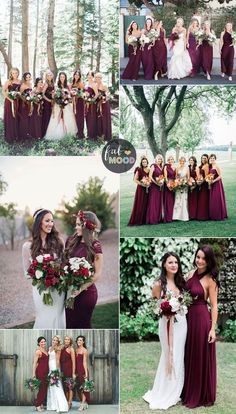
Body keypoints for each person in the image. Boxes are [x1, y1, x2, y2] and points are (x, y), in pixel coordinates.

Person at [143, 252, 187, 410]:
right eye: (170, 262)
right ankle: (164, 391)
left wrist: (177, 309)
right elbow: (153, 306)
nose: (174, 265)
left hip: (181, 324)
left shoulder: (181, 283)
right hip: (166, 324)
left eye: (176, 262)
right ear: (164, 264)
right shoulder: (158, 285)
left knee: (178, 354)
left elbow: (186, 301)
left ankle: (176, 389)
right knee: (168, 354)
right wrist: (165, 311)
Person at [182, 245, 219, 408]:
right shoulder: (190, 274)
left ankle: (199, 393)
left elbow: (215, 305)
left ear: (209, 260)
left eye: (204, 258)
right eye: (198, 257)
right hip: (187, 318)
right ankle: (187, 389)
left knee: (199, 354)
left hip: (201, 320)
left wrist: (212, 329)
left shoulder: (211, 279)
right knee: (187, 353)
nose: (200, 261)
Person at [22, 208, 65, 328]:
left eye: (52, 221)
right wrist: (42, 281)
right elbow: (26, 272)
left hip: (58, 289)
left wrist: (56, 276)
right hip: (40, 290)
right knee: (44, 318)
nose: (50, 224)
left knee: (57, 317)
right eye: (47, 221)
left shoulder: (59, 242)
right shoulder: (27, 246)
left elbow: (63, 263)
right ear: (39, 223)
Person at [64, 210, 103, 328]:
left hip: (86, 294)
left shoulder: (95, 245)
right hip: (69, 292)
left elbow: (97, 273)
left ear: (86, 226)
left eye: (78, 225)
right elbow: (64, 264)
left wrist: (80, 288)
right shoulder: (70, 241)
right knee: (68, 324)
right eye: (75, 224)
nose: (75, 227)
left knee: (83, 325)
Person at [45, 72, 78, 140]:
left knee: (67, 117)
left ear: (65, 78)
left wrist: (67, 97)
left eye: (63, 77)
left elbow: (70, 94)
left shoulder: (68, 85)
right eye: (61, 77)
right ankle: (54, 134)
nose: (62, 78)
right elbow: (54, 95)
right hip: (58, 104)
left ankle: (69, 134)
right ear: (59, 78)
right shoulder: (56, 85)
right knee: (56, 117)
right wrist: (57, 97)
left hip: (66, 104)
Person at [47, 335, 69, 412]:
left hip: (54, 367)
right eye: (54, 340)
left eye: (56, 340)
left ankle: (61, 405)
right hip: (50, 367)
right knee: (51, 385)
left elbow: (57, 360)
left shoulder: (58, 349)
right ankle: (53, 405)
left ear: (58, 342)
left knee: (56, 384)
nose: (55, 342)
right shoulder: (50, 348)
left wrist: (56, 371)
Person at [128, 156, 150, 226]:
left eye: (145, 162)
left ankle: (145, 219)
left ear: (147, 162)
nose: (144, 163)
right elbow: (135, 179)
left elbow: (150, 178)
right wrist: (142, 184)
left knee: (146, 203)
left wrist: (148, 183)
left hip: (148, 189)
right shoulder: (139, 169)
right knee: (140, 204)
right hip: (140, 189)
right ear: (141, 163)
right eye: (143, 162)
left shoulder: (149, 169)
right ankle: (138, 220)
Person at [2, 67, 21, 142]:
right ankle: (10, 136)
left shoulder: (20, 81)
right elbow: (3, 91)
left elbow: (21, 91)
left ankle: (16, 135)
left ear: (18, 73)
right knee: (10, 117)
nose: (15, 74)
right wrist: (10, 100)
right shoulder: (8, 81)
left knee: (16, 117)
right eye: (13, 73)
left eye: (16, 73)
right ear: (11, 73)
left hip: (17, 101)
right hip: (9, 102)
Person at [208, 154, 228, 220]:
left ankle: (219, 215)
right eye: (211, 158)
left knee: (217, 198)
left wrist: (213, 181)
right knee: (213, 199)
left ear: (215, 159)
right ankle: (213, 214)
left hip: (217, 184)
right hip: (212, 184)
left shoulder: (216, 166)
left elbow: (220, 176)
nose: (212, 159)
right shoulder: (211, 166)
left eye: (213, 158)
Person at [146, 154, 164, 224]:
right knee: (153, 202)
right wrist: (156, 183)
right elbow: (150, 176)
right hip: (154, 187)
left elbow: (161, 176)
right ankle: (152, 219)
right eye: (158, 159)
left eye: (160, 159)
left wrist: (161, 182)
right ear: (156, 159)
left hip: (160, 186)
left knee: (159, 202)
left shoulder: (161, 166)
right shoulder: (153, 166)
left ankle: (158, 218)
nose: (159, 160)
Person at [32, 336, 49, 412]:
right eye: (41, 342)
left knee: (44, 388)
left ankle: (41, 403)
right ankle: (38, 405)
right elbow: (35, 363)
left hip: (46, 371)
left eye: (44, 341)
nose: (43, 343)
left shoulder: (45, 350)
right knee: (42, 389)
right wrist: (33, 374)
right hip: (40, 371)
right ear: (38, 343)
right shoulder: (38, 351)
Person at [95, 72, 112, 141]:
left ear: (101, 78)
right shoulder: (95, 85)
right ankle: (99, 134)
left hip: (104, 104)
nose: (97, 79)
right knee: (98, 118)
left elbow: (108, 93)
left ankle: (105, 135)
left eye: (99, 77)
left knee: (104, 118)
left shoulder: (104, 85)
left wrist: (104, 97)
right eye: (96, 77)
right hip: (98, 104)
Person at [75, 336, 91, 412]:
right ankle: (84, 402)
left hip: (83, 370)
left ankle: (82, 404)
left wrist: (86, 373)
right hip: (77, 371)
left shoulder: (84, 350)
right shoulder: (76, 350)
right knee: (79, 387)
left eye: (81, 340)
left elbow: (84, 362)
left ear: (83, 342)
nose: (79, 341)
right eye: (78, 340)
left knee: (84, 387)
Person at [60, 336, 76, 409]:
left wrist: (73, 373)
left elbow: (73, 362)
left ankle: (70, 402)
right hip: (63, 370)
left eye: (68, 339)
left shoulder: (71, 349)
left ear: (70, 341)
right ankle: (66, 401)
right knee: (65, 387)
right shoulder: (62, 348)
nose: (66, 340)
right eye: (65, 339)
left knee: (70, 387)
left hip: (69, 369)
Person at [173, 156, 189, 221]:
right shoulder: (177, 168)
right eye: (181, 161)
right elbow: (176, 176)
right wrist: (178, 182)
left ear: (185, 161)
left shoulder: (187, 168)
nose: (182, 162)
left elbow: (188, 177)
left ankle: (184, 216)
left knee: (184, 199)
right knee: (178, 199)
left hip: (184, 185)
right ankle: (176, 216)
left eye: (183, 161)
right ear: (179, 161)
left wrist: (185, 183)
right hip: (178, 185)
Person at [84, 71, 98, 140]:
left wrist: (92, 100)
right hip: (86, 104)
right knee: (87, 118)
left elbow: (96, 94)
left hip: (92, 105)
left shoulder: (94, 84)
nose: (89, 76)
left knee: (92, 118)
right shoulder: (86, 84)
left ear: (93, 76)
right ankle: (88, 134)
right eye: (88, 75)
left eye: (91, 75)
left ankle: (92, 135)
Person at [18, 72, 33, 140]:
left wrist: (30, 99)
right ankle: (22, 135)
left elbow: (31, 93)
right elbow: (20, 95)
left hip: (29, 103)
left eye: (29, 77)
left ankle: (27, 133)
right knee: (23, 118)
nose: (28, 78)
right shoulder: (23, 85)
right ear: (24, 78)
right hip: (23, 104)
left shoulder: (30, 84)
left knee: (28, 117)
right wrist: (25, 100)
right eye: (27, 77)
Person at [71, 69, 85, 139]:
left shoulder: (80, 83)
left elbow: (82, 94)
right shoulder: (72, 83)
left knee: (80, 117)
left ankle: (80, 133)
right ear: (74, 75)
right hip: (73, 102)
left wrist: (76, 94)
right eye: (75, 74)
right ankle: (75, 132)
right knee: (75, 117)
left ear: (79, 76)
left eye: (78, 75)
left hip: (79, 102)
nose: (76, 76)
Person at [196, 154, 209, 221]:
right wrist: (197, 180)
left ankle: (203, 216)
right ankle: (199, 215)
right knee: (200, 199)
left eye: (205, 158)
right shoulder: (201, 166)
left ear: (207, 159)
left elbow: (206, 176)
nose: (203, 159)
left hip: (204, 185)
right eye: (202, 158)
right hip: (200, 184)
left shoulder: (206, 166)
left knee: (203, 199)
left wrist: (201, 182)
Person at [163, 155, 176, 223]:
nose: (171, 160)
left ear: (173, 160)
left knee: (173, 201)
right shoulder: (166, 166)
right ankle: (167, 217)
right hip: (168, 185)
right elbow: (165, 177)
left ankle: (172, 216)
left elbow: (176, 177)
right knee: (168, 201)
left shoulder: (175, 167)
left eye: (172, 159)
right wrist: (168, 184)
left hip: (174, 185)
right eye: (169, 159)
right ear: (168, 160)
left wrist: (175, 184)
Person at [42, 71, 55, 136]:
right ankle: (45, 132)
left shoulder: (52, 83)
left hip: (51, 101)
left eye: (50, 75)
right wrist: (49, 100)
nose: (49, 77)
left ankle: (50, 131)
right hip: (47, 102)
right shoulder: (46, 84)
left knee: (50, 116)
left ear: (52, 76)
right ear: (46, 77)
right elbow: (42, 94)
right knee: (46, 116)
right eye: (48, 75)